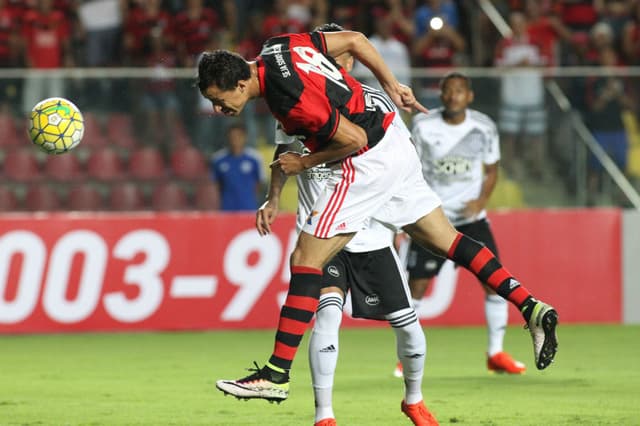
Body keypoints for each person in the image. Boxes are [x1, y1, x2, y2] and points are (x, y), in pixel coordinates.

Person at [200, 26, 558, 405]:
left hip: (368, 159)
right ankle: (530, 305)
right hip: (396, 145)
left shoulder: (291, 101)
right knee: (447, 240)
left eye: (219, 100)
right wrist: (393, 85)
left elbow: (353, 140)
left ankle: (275, 374)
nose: (218, 110)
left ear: (241, 83)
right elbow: (355, 39)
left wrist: (304, 162)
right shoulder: (278, 45)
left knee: (306, 258)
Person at [262, 22, 436, 426]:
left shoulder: (373, 101)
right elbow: (283, 150)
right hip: (322, 231)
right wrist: (273, 198)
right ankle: (324, 416)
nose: (333, 63)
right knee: (327, 314)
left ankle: (414, 397)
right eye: (326, 57)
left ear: (351, 61)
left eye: (339, 57)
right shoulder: (294, 102)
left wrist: (405, 213)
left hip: (370, 231)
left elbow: (396, 161)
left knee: (407, 325)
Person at [395, 72, 525, 379]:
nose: (453, 96)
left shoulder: (483, 127)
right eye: (448, 91)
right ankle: (406, 357)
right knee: (416, 289)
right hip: (432, 219)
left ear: (469, 96)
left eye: (459, 91)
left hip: (472, 221)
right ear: (441, 95)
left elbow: (492, 170)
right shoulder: (425, 126)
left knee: (494, 282)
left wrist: (480, 202)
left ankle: (495, 353)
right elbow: (409, 168)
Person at [210, 122, 266, 211]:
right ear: (227, 137)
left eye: (238, 136)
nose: (235, 139)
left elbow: (259, 183)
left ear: (245, 137)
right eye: (232, 136)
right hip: (226, 208)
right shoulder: (218, 159)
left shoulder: (255, 158)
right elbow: (216, 185)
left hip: (249, 208)